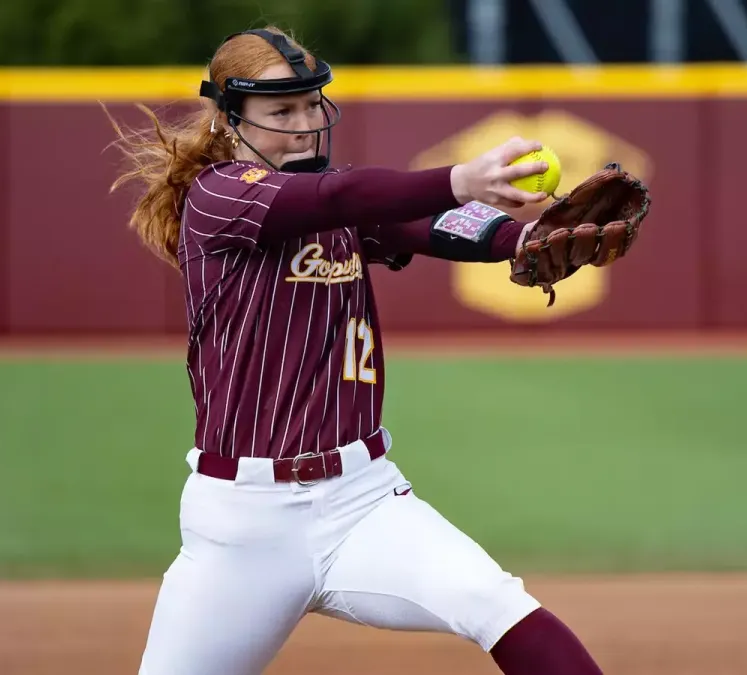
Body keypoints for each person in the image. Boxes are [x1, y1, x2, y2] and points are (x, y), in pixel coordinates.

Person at [108, 25, 604, 675]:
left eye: (311, 103)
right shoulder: (220, 197)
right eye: (280, 110)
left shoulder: (332, 201)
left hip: (362, 501)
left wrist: (521, 237)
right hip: (242, 525)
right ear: (230, 123)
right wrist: (462, 177)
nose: (305, 122)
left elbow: (432, 227)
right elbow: (338, 196)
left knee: (494, 602)